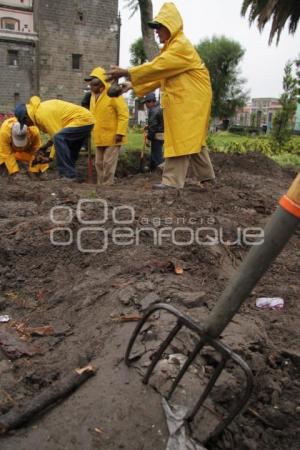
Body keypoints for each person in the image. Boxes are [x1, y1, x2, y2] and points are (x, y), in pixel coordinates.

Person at [107, 2, 215, 190]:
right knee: (193, 138)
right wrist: (132, 84)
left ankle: (172, 182)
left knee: (181, 136)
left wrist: (127, 71)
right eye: (155, 27)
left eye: (159, 27)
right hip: (189, 99)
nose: (156, 31)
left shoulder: (180, 46)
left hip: (191, 100)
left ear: (170, 26)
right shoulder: (172, 48)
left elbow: (157, 67)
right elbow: (161, 74)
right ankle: (207, 178)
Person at [14, 97, 95, 181]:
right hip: (85, 121)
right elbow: (57, 133)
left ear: (27, 116)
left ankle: (67, 176)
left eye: (25, 123)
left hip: (82, 120)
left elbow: (57, 136)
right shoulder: (39, 110)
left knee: (59, 138)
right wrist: (45, 147)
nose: (28, 125)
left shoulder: (40, 115)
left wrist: (50, 157)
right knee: (69, 149)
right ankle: (72, 176)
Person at [84, 67, 129, 185]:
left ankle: (107, 185)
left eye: (93, 84)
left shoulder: (112, 93)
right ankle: (101, 185)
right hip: (99, 136)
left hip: (113, 136)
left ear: (101, 84)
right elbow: (92, 114)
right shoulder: (93, 97)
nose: (90, 87)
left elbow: (123, 113)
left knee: (108, 163)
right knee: (98, 163)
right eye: (90, 84)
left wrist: (120, 132)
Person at [142, 92, 164, 172]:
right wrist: (148, 126)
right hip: (163, 134)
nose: (146, 106)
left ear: (151, 101)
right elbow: (159, 122)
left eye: (146, 103)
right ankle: (152, 170)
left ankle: (161, 173)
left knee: (157, 155)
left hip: (157, 136)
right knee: (155, 153)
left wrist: (148, 138)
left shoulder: (153, 110)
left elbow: (153, 127)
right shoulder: (160, 107)